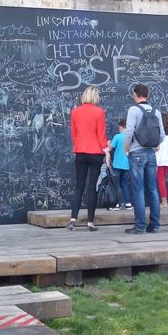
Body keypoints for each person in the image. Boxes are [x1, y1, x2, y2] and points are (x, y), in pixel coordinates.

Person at [124, 83, 165, 235]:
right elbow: (161, 135)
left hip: (137, 153)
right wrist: (155, 146)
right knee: (153, 189)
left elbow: (129, 131)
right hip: (151, 154)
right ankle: (154, 225)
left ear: (135, 94)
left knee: (138, 190)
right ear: (147, 95)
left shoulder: (133, 110)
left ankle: (140, 226)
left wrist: (126, 147)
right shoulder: (156, 111)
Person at [68, 86, 108, 231]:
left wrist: (78, 144)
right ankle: (90, 222)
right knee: (92, 187)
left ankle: (73, 219)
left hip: (80, 151)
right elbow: (101, 135)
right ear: (95, 97)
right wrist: (106, 151)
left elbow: (74, 133)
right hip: (96, 153)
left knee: (79, 186)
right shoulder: (100, 112)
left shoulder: (75, 111)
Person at [108, 119, 131, 210]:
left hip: (117, 164)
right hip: (127, 164)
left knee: (117, 184)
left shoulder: (117, 136)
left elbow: (110, 149)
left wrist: (108, 144)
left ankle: (118, 203)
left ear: (121, 127)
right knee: (124, 183)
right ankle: (128, 203)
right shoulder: (131, 137)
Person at [156, 113, 168, 209]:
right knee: (161, 181)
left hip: (159, 161)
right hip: (166, 161)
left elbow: (157, 148)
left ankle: (164, 202)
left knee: (160, 181)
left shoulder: (159, 135)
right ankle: (163, 201)